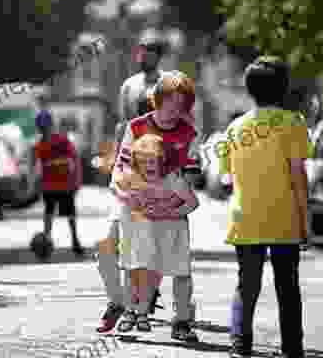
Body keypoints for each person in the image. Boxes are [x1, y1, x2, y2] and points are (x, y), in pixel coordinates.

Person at [219, 57, 317, 358]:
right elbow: (298, 177)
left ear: (249, 90)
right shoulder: (293, 123)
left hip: (245, 219)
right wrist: (306, 221)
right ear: (284, 88)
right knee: (288, 291)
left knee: (246, 289)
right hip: (285, 219)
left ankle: (239, 356)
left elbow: (226, 178)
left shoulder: (235, 128)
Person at [95, 36, 167, 333]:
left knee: (149, 249)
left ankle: (139, 302)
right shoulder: (128, 90)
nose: (143, 56)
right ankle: (120, 301)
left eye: (149, 52)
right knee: (106, 247)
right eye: (140, 51)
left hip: (152, 192)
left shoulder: (168, 85)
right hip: (127, 186)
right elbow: (122, 125)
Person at [112, 132, 200, 340]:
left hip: (167, 232)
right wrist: (128, 199)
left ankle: (151, 314)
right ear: (136, 162)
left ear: (162, 161)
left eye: (153, 161)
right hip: (142, 233)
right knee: (135, 270)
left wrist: (170, 213)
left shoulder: (172, 180)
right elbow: (117, 189)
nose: (149, 165)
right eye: (143, 161)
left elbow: (193, 203)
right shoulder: (132, 179)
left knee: (162, 272)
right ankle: (132, 312)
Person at [29, 109, 84, 256]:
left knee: (65, 214)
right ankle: (50, 240)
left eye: (44, 126)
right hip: (52, 186)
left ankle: (74, 240)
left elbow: (74, 160)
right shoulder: (41, 145)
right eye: (41, 126)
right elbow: (37, 166)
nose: (43, 129)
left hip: (64, 184)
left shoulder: (61, 141)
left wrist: (76, 180)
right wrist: (35, 184)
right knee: (52, 213)